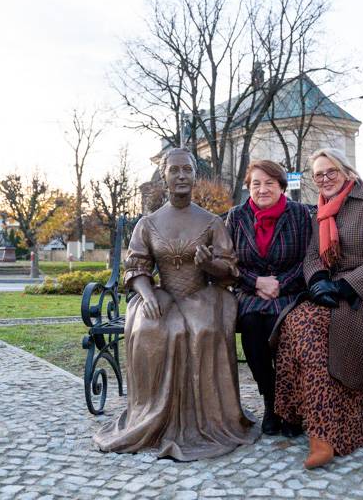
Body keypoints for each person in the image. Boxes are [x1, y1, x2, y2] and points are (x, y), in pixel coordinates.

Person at [93, 147, 260, 461]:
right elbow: (136, 267)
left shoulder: (211, 222)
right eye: (175, 170)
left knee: (203, 330)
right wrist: (146, 293)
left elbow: (230, 270)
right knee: (148, 328)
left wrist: (210, 266)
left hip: (203, 294)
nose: (181, 175)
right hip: (162, 294)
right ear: (164, 176)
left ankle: (206, 418)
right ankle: (151, 415)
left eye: (187, 170)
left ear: (195, 176)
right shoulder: (148, 223)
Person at [272, 147, 363, 470]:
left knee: (314, 331)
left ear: (347, 172)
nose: (325, 179)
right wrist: (318, 281)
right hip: (328, 294)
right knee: (295, 322)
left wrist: (344, 287)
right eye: (319, 175)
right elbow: (312, 257)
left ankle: (324, 436)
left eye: (331, 171)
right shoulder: (320, 211)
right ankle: (298, 413)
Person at [225, 160, 313, 436]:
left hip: (290, 290)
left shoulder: (300, 214)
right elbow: (228, 263)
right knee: (251, 325)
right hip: (250, 292)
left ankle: (291, 407)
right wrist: (256, 282)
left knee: (279, 324)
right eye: (256, 184)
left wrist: (280, 283)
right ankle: (271, 401)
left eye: (269, 184)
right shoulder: (236, 217)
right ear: (248, 187)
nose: (262, 190)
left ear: (282, 187)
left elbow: (308, 259)